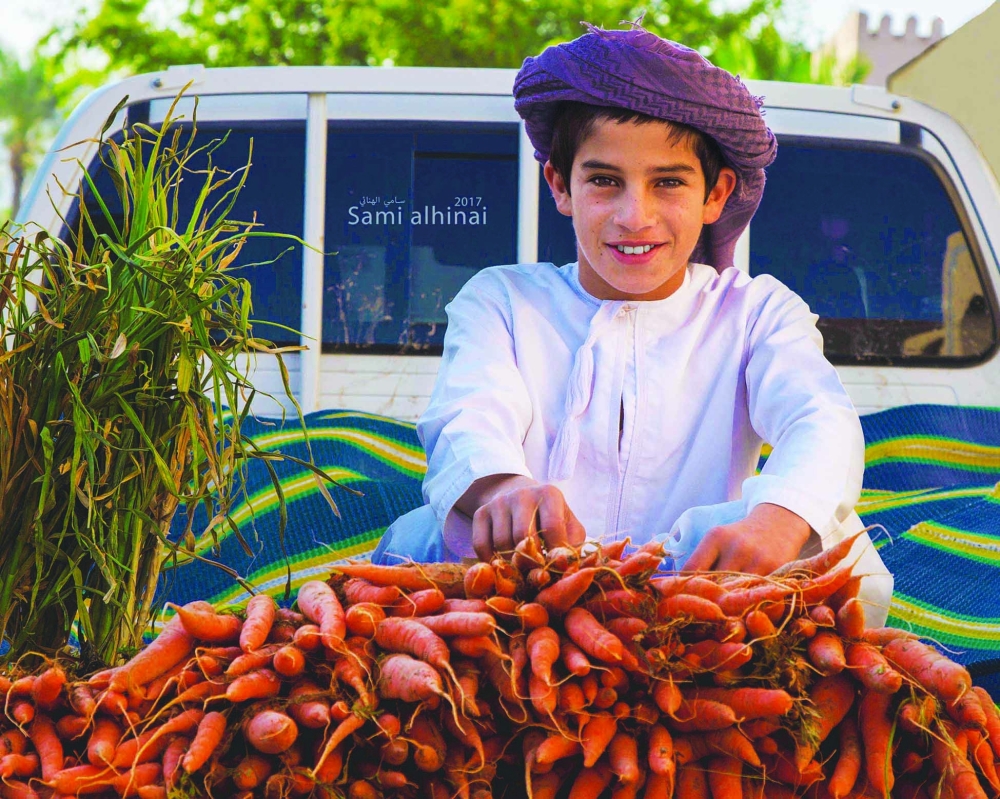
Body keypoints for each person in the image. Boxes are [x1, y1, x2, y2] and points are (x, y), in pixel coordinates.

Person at [373, 20, 893, 623]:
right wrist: (503, 489)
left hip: (702, 581)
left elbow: (818, 418)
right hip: (526, 579)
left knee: (841, 542)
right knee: (423, 540)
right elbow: (470, 413)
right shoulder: (503, 299)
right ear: (560, 185)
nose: (634, 215)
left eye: (668, 182)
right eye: (605, 181)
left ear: (716, 195)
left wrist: (775, 520)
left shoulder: (756, 312)